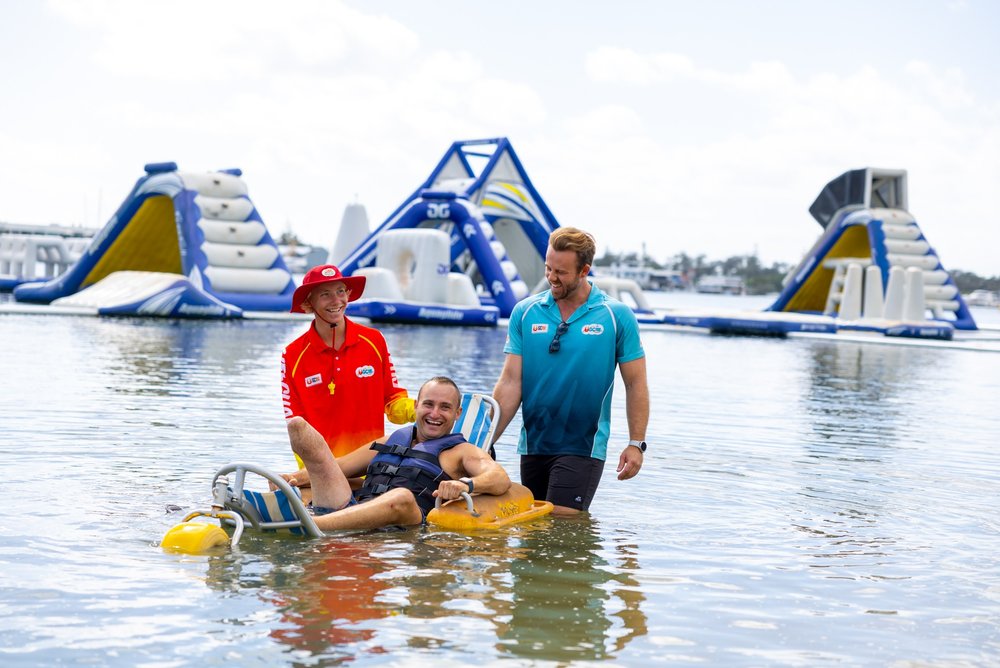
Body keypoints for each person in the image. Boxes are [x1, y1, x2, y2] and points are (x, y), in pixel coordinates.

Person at [492, 227, 650, 516]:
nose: (551, 277)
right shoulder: (525, 312)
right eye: (548, 268)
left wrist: (635, 443)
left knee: (561, 523)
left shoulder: (617, 316)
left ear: (584, 270)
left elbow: (635, 384)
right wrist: (486, 440)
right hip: (534, 443)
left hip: (583, 445)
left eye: (561, 272)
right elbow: (511, 382)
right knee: (534, 529)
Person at [281, 376, 512, 531]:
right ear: (416, 406)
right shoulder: (390, 441)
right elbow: (337, 467)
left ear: (457, 413)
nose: (435, 413)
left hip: (408, 517)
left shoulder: (462, 451)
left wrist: (466, 485)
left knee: (401, 496)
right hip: (352, 508)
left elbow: (499, 478)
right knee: (299, 428)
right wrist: (291, 479)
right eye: (428, 404)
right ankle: (278, 508)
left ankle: (312, 524)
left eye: (445, 407)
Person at [282, 264, 414, 468]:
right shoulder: (292, 354)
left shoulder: (374, 340)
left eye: (340, 291)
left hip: (370, 468)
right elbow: (296, 425)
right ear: (309, 302)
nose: (336, 301)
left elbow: (391, 401)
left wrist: (421, 409)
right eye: (325, 294)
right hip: (322, 471)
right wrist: (313, 471)